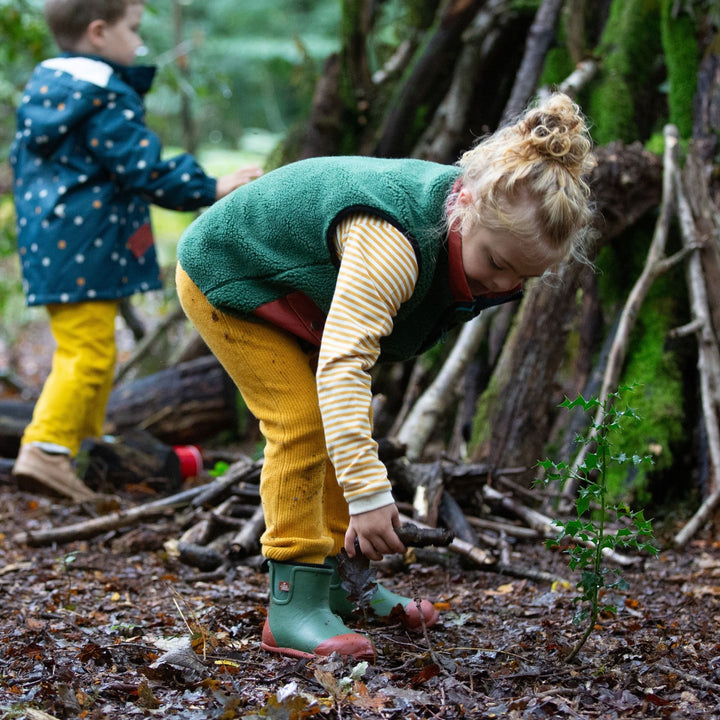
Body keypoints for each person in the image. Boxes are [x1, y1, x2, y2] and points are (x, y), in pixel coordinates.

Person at [175, 92, 596, 660]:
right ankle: (293, 605)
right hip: (233, 277)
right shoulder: (393, 242)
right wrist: (370, 495)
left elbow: (358, 356)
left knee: (331, 421)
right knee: (300, 422)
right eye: (496, 264)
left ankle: (341, 590)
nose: (502, 286)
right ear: (463, 205)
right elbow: (345, 364)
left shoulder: (488, 221)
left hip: (306, 297)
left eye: (525, 277)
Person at [9, 0, 262, 502]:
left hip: (58, 247)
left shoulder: (52, 93)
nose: (140, 43)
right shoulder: (100, 95)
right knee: (88, 352)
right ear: (99, 32)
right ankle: (45, 448)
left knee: (88, 348)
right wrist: (209, 185)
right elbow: (142, 168)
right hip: (84, 246)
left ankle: (79, 448)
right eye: (134, 29)